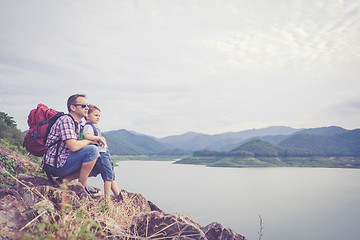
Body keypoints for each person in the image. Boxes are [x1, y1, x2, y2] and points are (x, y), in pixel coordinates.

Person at [42, 94, 103, 195]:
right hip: (55, 164)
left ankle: (64, 180)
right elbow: (73, 146)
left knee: (100, 162)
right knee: (92, 150)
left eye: (87, 105)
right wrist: (90, 141)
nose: (87, 108)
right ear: (73, 107)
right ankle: (81, 189)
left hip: (64, 160)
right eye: (83, 105)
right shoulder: (66, 120)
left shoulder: (78, 124)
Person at [82, 104, 120, 201]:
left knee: (111, 175)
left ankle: (118, 196)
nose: (98, 117)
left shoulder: (94, 126)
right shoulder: (88, 126)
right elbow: (86, 136)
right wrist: (98, 138)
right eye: (96, 115)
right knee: (108, 176)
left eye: (99, 116)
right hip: (100, 154)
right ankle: (107, 199)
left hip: (105, 152)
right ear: (87, 116)